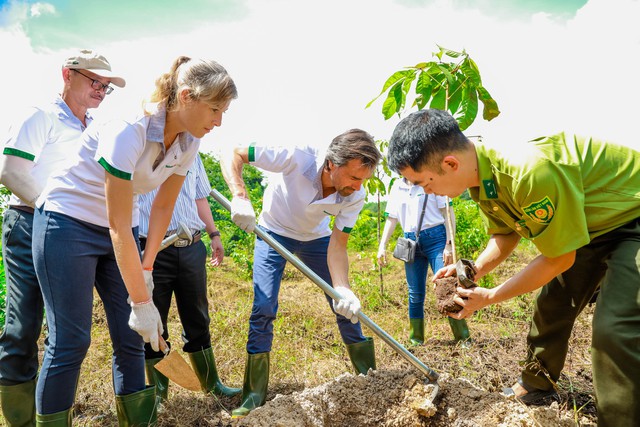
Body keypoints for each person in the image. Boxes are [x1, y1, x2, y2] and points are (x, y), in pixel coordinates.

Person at [386, 108, 640, 427]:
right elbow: (506, 234)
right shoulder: (478, 174)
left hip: (632, 215)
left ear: (450, 164)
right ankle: (536, 385)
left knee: (616, 327)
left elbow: (559, 258)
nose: (425, 192)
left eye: (423, 182)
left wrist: (490, 296)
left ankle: (621, 419)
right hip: (591, 226)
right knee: (553, 304)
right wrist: (472, 270)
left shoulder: (527, 171)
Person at [31, 56, 237, 425]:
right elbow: (117, 225)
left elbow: (161, 208)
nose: (219, 120)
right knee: (71, 341)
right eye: (215, 109)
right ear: (187, 97)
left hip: (121, 232)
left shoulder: (189, 142)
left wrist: (146, 268)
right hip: (68, 223)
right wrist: (142, 301)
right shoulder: (130, 129)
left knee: (131, 339)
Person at [0, 49, 124, 427]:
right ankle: (21, 421)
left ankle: (51, 412)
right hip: (29, 222)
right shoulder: (41, 115)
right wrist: (53, 211)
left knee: (66, 331)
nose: (101, 91)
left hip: (72, 233)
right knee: (24, 326)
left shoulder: (92, 127)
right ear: (68, 75)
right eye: (94, 82)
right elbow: (10, 171)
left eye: (106, 87)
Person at [221, 130, 382, 417]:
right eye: (354, 178)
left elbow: (338, 245)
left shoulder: (356, 195)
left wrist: (342, 288)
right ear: (332, 164)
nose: (358, 187)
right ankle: (254, 394)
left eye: (363, 180)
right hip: (274, 232)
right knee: (264, 305)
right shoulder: (297, 155)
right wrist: (240, 196)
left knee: (345, 308)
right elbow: (235, 153)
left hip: (317, 239)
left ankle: (369, 380)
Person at [138, 154, 240, 401]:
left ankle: (211, 384)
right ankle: (159, 394)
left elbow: (199, 197)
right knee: (154, 322)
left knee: (198, 317)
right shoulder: (142, 151)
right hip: (154, 249)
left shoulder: (192, 154)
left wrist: (214, 234)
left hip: (191, 245)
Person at [377, 178, 470, 345]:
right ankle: (416, 340)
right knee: (415, 293)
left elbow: (447, 212)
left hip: (436, 238)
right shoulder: (397, 186)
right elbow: (391, 218)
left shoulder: (429, 179)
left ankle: (463, 338)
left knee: (446, 286)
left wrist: (449, 245)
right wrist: (382, 246)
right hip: (410, 242)